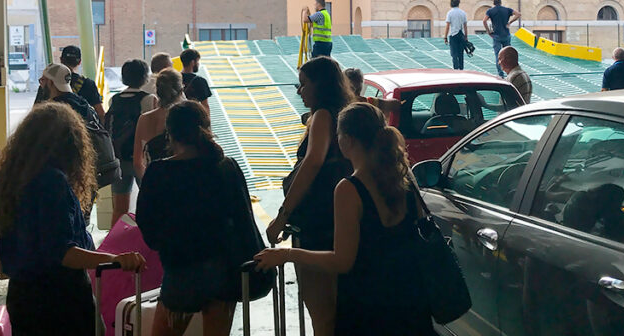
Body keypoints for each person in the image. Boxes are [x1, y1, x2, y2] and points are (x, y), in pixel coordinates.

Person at [255, 103, 435, 336]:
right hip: (411, 301)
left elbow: (342, 261)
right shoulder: (404, 177)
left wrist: (287, 254)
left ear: (347, 141)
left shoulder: (349, 189)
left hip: (369, 308)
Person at [0, 103, 145, 336]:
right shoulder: (52, 182)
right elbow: (63, 253)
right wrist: (115, 259)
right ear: (70, 144)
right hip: (59, 301)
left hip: (23, 295)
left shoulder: (14, 180)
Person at [137, 102, 259, 336]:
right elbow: (244, 219)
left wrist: (168, 246)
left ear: (170, 134)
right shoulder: (226, 166)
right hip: (224, 269)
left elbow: (148, 225)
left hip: (181, 269)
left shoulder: (159, 173)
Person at [269, 56, 355, 336]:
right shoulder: (347, 113)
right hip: (342, 220)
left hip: (318, 226)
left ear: (320, 85)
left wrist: (282, 217)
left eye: (303, 84)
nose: (299, 91)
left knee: (321, 312)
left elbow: (312, 163)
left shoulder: (323, 116)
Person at [105, 59, 158, 227]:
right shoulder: (148, 99)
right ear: (145, 77)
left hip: (119, 159)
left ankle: (115, 239)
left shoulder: (114, 99)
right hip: (141, 160)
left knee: (120, 208)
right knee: (150, 205)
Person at [134, 69, 186, 182]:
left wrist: (147, 184)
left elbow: (137, 162)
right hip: (178, 180)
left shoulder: (143, 119)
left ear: (157, 91)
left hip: (154, 179)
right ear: (181, 91)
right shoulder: (183, 118)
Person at [35, 45, 105, 121]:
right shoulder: (88, 84)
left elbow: (35, 112)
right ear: (79, 62)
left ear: (61, 60)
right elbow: (100, 113)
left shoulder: (47, 84)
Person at [483, 0, 521, 78]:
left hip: (496, 35)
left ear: (494, 3)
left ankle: (501, 75)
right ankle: (510, 73)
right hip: (506, 35)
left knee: (498, 55)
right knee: (509, 55)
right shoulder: (507, 10)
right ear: (501, 2)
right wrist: (510, 22)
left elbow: (484, 20)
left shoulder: (490, 11)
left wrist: (488, 31)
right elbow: (518, 14)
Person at [180, 49, 212, 114]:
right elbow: (205, 105)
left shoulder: (174, 78)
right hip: (193, 116)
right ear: (192, 62)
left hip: (177, 115)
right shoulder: (200, 81)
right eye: (197, 61)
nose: (198, 64)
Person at [444, 0, 469, 70]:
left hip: (453, 35)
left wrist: (445, 37)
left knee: (454, 54)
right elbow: (465, 26)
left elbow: (448, 26)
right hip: (461, 35)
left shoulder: (450, 13)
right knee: (461, 53)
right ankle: (461, 68)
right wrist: (466, 36)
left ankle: (456, 69)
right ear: (458, 4)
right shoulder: (463, 13)